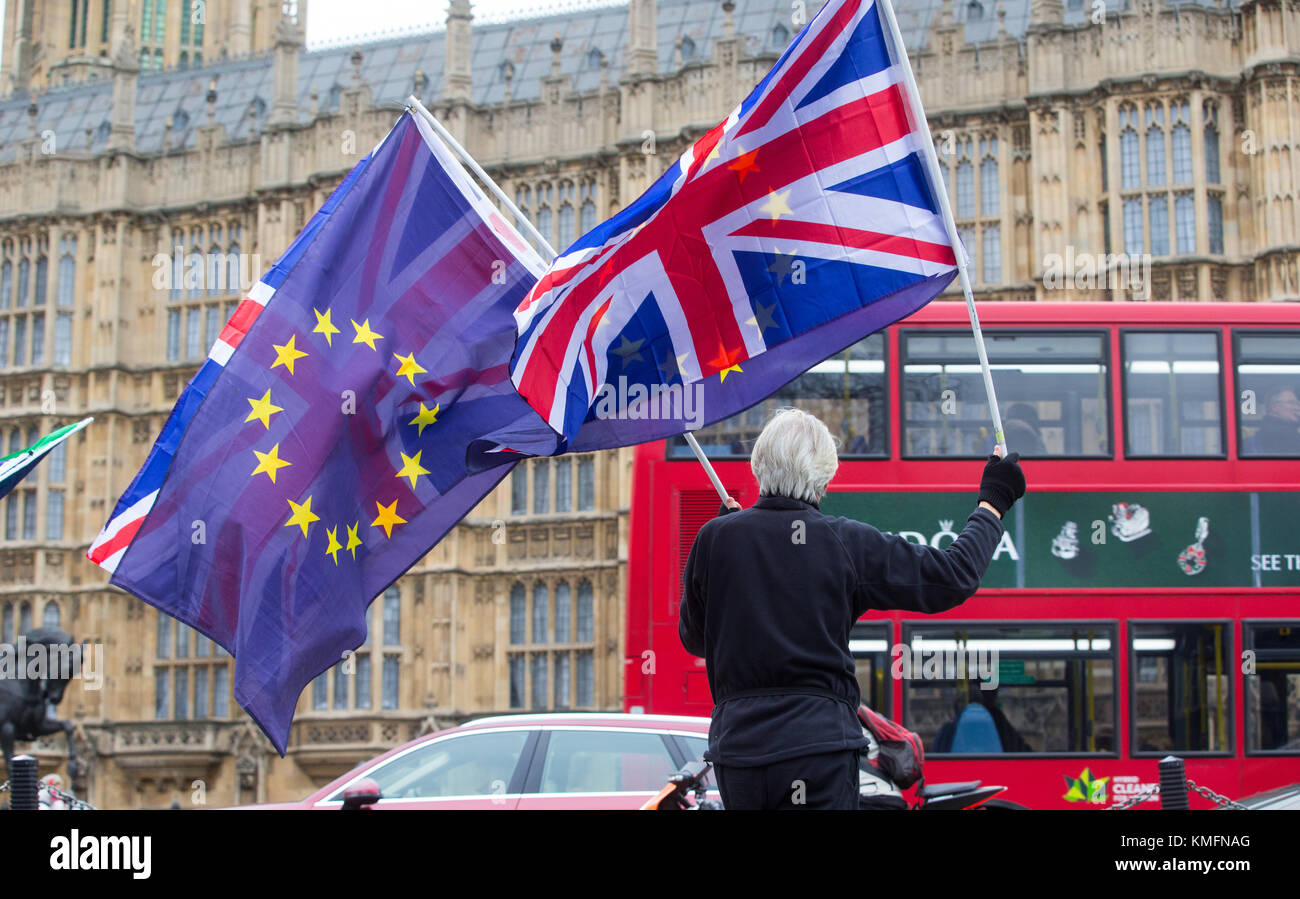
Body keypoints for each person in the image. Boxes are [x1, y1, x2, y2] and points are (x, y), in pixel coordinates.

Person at [678, 407, 1026, 810]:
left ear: (759, 466)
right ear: (825, 476)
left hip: (738, 750)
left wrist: (724, 549)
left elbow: (697, 639)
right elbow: (952, 577)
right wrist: (992, 504)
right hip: (819, 745)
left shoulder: (714, 539)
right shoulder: (844, 542)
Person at [1252, 386, 1300, 454]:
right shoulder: (1282, 435)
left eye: (1297, 404)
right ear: (1275, 407)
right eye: (1292, 403)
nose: (1297, 408)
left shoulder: (1268, 430)